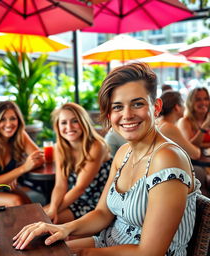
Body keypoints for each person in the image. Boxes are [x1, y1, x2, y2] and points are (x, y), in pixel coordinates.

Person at [13, 63, 200, 256]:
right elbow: (102, 214)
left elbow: (150, 252)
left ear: (156, 107)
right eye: (118, 107)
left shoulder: (167, 159)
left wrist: (84, 252)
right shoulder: (123, 153)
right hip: (107, 242)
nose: (127, 115)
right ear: (110, 115)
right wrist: (64, 229)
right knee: (33, 250)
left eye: (138, 104)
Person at [42, 102, 112, 224]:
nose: (69, 127)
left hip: (99, 203)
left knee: (45, 220)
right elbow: (60, 185)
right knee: (40, 215)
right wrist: (52, 208)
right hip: (76, 199)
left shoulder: (96, 146)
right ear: (57, 126)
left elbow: (80, 188)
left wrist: (53, 211)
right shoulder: (59, 148)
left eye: (74, 121)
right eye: (63, 122)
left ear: (83, 122)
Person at [157, 90, 201, 160]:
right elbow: (195, 154)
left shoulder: (159, 122)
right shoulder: (168, 127)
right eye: (183, 103)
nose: (185, 107)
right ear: (177, 107)